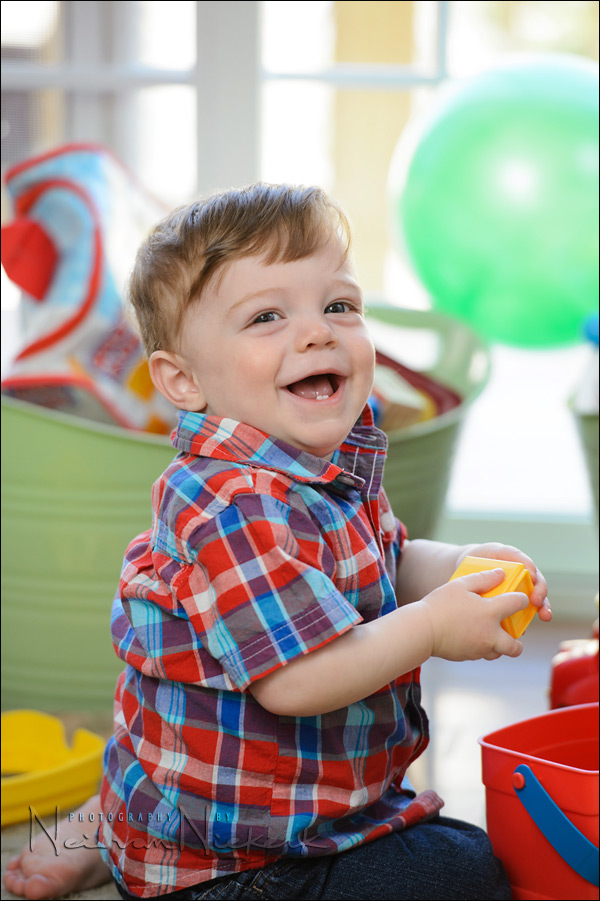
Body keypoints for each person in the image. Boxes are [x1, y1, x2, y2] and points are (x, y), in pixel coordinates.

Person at [4, 183, 552, 901]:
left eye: (339, 306)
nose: (318, 332)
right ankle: (122, 830)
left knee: (462, 854)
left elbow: (384, 560)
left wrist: (460, 567)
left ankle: (116, 816)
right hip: (233, 857)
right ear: (183, 379)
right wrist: (431, 625)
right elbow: (294, 680)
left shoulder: (327, 464)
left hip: (299, 796)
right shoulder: (232, 506)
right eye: (267, 316)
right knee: (462, 870)